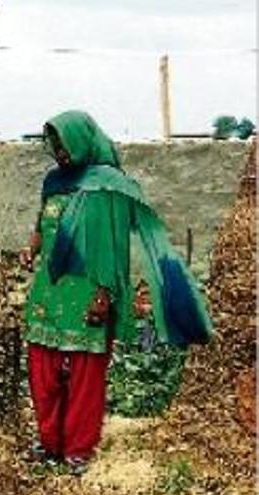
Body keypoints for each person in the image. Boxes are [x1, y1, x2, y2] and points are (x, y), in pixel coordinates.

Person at [20, 110, 212, 475]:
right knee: (43, 371)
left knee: (83, 376)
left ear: (83, 139)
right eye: (54, 144)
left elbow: (113, 245)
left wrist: (104, 294)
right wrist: (31, 248)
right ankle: (49, 442)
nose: (59, 152)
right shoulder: (53, 182)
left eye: (64, 143)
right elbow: (40, 224)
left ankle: (77, 448)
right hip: (49, 291)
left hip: (89, 291)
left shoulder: (107, 185)